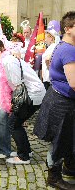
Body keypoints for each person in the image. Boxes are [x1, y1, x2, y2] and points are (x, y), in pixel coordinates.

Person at [34, 11, 75, 189]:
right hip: (61, 103)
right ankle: (54, 177)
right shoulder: (68, 49)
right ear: (67, 29)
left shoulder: (66, 46)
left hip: (61, 99)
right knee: (59, 141)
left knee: (67, 138)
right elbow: (74, 83)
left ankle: (69, 168)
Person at [0, 39, 46, 164]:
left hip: (31, 94)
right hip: (32, 93)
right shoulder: (4, 60)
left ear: (1, 49)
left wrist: (14, 102)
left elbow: (16, 83)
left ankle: (24, 157)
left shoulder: (8, 61)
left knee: (13, 124)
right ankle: (27, 150)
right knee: (16, 122)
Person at [42, 21, 61, 90]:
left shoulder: (53, 47)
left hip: (49, 79)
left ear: (51, 38)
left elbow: (48, 59)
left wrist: (49, 68)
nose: (45, 40)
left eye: (46, 37)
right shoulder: (54, 46)